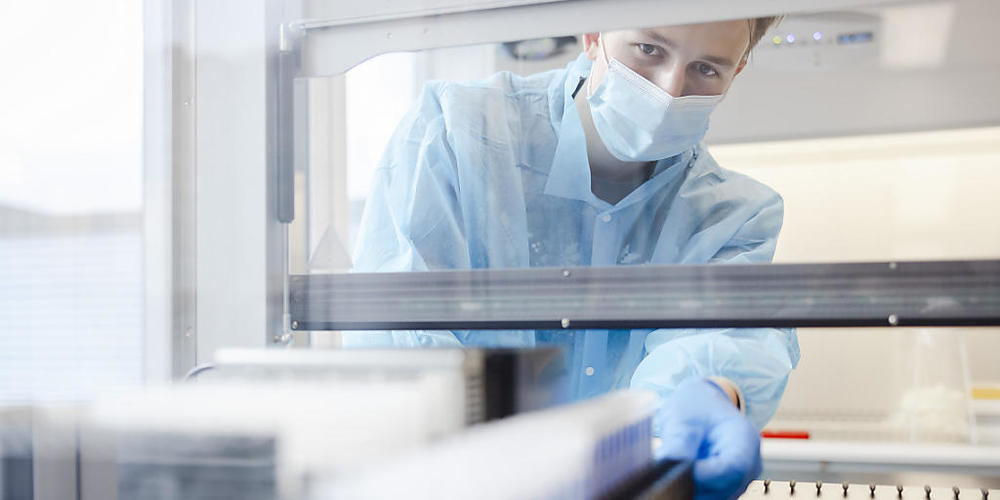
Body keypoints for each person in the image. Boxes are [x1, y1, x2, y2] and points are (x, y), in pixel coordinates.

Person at [345, 17, 800, 498]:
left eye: (706, 68)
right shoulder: (457, 133)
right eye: (648, 48)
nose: (669, 90)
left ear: (738, 72)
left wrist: (712, 390)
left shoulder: (733, 216)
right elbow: (404, 342)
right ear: (593, 33)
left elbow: (719, 346)